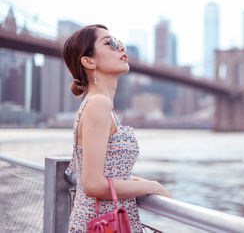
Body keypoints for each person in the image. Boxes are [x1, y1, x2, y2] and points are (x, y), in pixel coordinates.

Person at [63, 24, 172, 233]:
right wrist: (153, 187)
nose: (121, 47)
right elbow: (93, 184)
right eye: (110, 43)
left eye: (120, 42)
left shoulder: (101, 104)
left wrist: (144, 182)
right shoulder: (98, 104)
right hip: (104, 225)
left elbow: (111, 174)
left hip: (107, 223)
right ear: (88, 61)